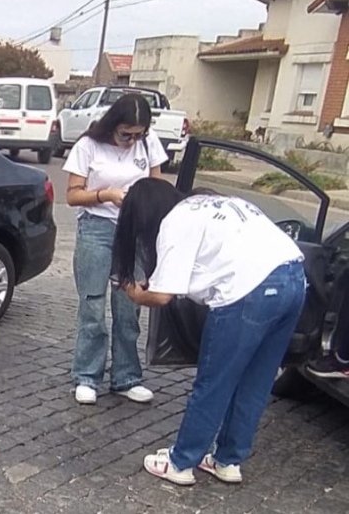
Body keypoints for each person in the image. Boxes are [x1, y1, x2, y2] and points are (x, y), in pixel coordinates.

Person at [111, 178, 306, 486]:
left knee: (214, 381)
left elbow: (162, 297)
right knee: (256, 380)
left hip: (248, 293)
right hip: (295, 280)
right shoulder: (221, 203)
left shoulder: (174, 222)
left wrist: (134, 294)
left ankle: (181, 462)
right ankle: (228, 461)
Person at [63, 93, 168, 405]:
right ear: (113, 126)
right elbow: (72, 195)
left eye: (139, 135)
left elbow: (156, 188)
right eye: (126, 134)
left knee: (129, 305)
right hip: (97, 228)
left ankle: (126, 377)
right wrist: (106, 195)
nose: (132, 140)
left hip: (134, 231)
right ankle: (87, 376)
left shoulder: (149, 145)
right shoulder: (88, 146)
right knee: (93, 304)